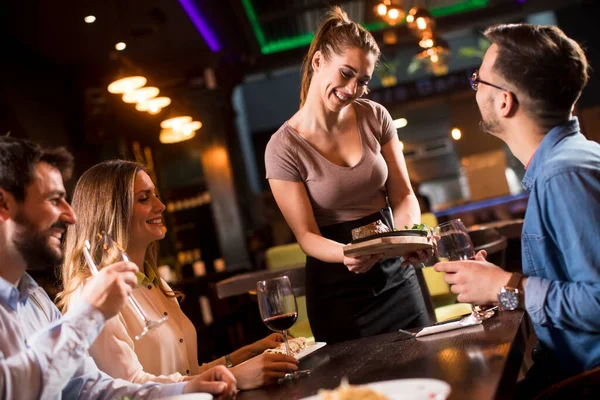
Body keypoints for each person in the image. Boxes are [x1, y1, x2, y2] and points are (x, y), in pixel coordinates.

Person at [433, 24, 600, 398]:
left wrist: (503, 286)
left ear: (505, 101)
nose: (474, 88)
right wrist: (496, 286)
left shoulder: (563, 174)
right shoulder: (565, 163)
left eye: (479, 80)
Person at [0, 137, 236, 399]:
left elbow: (88, 387)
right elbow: (15, 390)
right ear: (5, 204)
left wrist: (187, 387)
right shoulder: (83, 295)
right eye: (54, 200)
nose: (71, 216)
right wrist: (89, 313)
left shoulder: (33, 297)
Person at [264, 7, 429, 343]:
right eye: (346, 73)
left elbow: (403, 196)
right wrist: (348, 254)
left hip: (396, 275)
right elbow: (307, 236)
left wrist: (410, 235)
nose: (353, 88)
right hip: (338, 289)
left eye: (363, 80)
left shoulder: (375, 116)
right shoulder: (283, 147)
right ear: (318, 62)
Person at [57, 160, 298, 390]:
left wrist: (249, 354)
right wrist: (236, 376)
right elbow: (129, 388)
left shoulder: (155, 283)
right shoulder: (93, 294)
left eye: (156, 195)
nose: (160, 206)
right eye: (144, 198)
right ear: (111, 213)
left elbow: (187, 376)